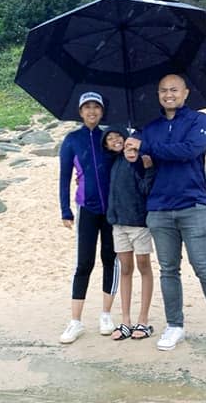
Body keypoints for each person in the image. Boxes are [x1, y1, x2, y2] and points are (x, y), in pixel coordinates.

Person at [139, 73, 206, 351]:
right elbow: (143, 164)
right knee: (169, 270)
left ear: (185, 93)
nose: (168, 95)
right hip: (158, 209)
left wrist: (151, 149)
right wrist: (135, 152)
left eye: (174, 90)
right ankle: (174, 326)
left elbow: (191, 150)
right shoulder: (150, 127)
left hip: (192, 206)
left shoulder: (199, 120)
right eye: (162, 90)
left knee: (204, 267)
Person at [57, 91, 118, 344]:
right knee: (84, 263)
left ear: (102, 112)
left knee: (109, 259)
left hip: (113, 210)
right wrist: (65, 210)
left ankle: (106, 314)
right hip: (86, 208)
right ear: (80, 112)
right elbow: (63, 177)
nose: (92, 111)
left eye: (96, 107)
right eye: (87, 107)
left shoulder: (110, 138)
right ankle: (75, 321)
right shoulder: (72, 140)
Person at [105, 131, 155, 340]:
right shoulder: (113, 162)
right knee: (125, 269)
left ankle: (143, 320)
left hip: (139, 224)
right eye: (110, 139)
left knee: (144, 266)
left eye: (120, 138)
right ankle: (125, 320)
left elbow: (146, 188)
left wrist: (147, 167)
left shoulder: (139, 161)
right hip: (118, 225)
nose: (117, 142)